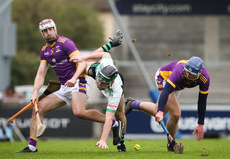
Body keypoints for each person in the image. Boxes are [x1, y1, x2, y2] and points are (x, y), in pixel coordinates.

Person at [17, 19, 123, 153]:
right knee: (39, 108)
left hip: (78, 81)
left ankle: (113, 123)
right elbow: (41, 73)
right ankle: (32, 147)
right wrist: (35, 92)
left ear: (55, 29)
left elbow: (83, 63)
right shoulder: (44, 51)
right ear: (42, 34)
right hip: (64, 86)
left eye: (50, 29)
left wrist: (74, 79)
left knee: (79, 112)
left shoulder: (66, 44)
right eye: (45, 31)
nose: (48, 33)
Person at [125, 56, 210, 152]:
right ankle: (171, 144)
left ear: (199, 73)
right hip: (164, 78)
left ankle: (132, 104)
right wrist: (161, 111)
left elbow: (202, 100)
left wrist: (201, 123)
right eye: (187, 72)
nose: (187, 76)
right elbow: (166, 91)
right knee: (176, 113)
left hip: (177, 86)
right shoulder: (179, 71)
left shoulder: (205, 78)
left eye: (191, 75)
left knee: (155, 110)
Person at [70, 51, 127, 152]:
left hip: (116, 86)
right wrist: (84, 58)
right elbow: (105, 54)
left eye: (103, 82)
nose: (99, 84)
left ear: (111, 82)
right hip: (98, 71)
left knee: (119, 114)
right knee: (80, 65)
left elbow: (109, 117)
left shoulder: (116, 90)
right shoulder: (100, 67)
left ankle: (121, 142)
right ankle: (116, 126)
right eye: (99, 80)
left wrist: (103, 140)